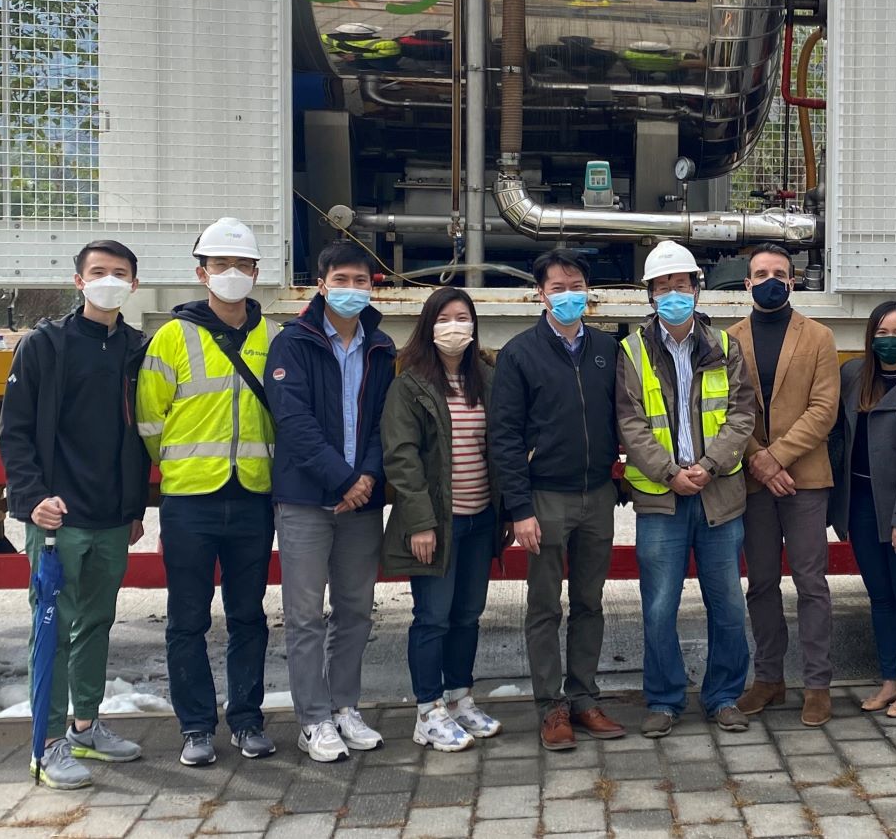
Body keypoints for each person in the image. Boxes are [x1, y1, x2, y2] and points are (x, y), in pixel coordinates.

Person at [1, 240, 150, 789]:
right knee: (53, 628)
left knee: (97, 622)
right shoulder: (45, 346)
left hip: (112, 517)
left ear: (134, 284)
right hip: (57, 518)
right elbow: (15, 430)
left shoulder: (137, 349)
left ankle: (85, 726)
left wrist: (133, 508)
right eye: (98, 271)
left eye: (120, 273)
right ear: (78, 281)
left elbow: (139, 434)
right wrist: (32, 497)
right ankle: (45, 746)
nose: (109, 281)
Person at [138, 216, 281, 767]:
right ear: (201, 273)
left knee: (248, 616)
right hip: (190, 501)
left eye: (242, 264)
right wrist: (181, 467)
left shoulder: (274, 337)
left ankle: (247, 720)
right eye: (221, 264)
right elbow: (150, 421)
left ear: (256, 272)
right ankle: (196, 727)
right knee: (187, 620)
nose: (232, 273)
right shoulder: (172, 337)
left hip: (252, 496)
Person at [618, 241, 761, 737]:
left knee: (728, 605)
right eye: (663, 287)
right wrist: (670, 473)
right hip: (661, 499)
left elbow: (742, 414)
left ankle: (724, 697)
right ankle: (664, 699)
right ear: (650, 295)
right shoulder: (632, 351)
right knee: (659, 608)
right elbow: (630, 424)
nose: (673, 294)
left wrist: (708, 466)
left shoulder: (725, 346)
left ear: (697, 290)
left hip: (718, 495)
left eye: (681, 285)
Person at [491, 247, 627, 751]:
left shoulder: (607, 349)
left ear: (589, 292)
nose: (569, 296)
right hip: (545, 497)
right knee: (545, 607)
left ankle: (584, 697)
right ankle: (551, 708)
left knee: (590, 602)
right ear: (540, 294)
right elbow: (504, 437)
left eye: (577, 287)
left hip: (597, 494)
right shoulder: (519, 354)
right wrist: (520, 508)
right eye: (558, 288)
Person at [267, 240, 395, 763]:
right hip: (305, 500)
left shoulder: (380, 346)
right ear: (321, 285)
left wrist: (367, 477)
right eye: (341, 280)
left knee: (355, 610)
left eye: (360, 281)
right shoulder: (292, 343)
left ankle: (345, 707)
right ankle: (313, 719)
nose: (350, 289)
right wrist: (343, 479)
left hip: (361, 503)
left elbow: (385, 422)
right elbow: (293, 421)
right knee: (304, 616)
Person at [382, 286, 507, 752]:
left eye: (463, 317)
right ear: (429, 326)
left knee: (467, 616)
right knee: (432, 617)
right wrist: (420, 522)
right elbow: (402, 457)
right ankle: (428, 711)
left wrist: (505, 511)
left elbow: (502, 445)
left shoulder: (486, 379)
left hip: (480, 519)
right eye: (445, 318)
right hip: (438, 524)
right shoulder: (410, 385)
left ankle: (459, 699)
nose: (455, 327)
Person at [728, 245, 841, 726]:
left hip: (805, 480)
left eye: (779, 273)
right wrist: (757, 459)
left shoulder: (819, 337)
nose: (770, 280)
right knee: (761, 584)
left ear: (792, 281)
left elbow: (824, 409)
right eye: (760, 274)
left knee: (811, 583)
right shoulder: (729, 340)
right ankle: (769, 678)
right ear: (747, 284)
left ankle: (817, 685)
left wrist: (775, 457)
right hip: (754, 481)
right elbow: (728, 410)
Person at [829, 301, 896, 718]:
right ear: (871, 337)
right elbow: (836, 435)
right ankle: (889, 680)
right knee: (879, 597)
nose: (890, 341)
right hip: (860, 504)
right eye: (883, 333)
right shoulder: (852, 375)